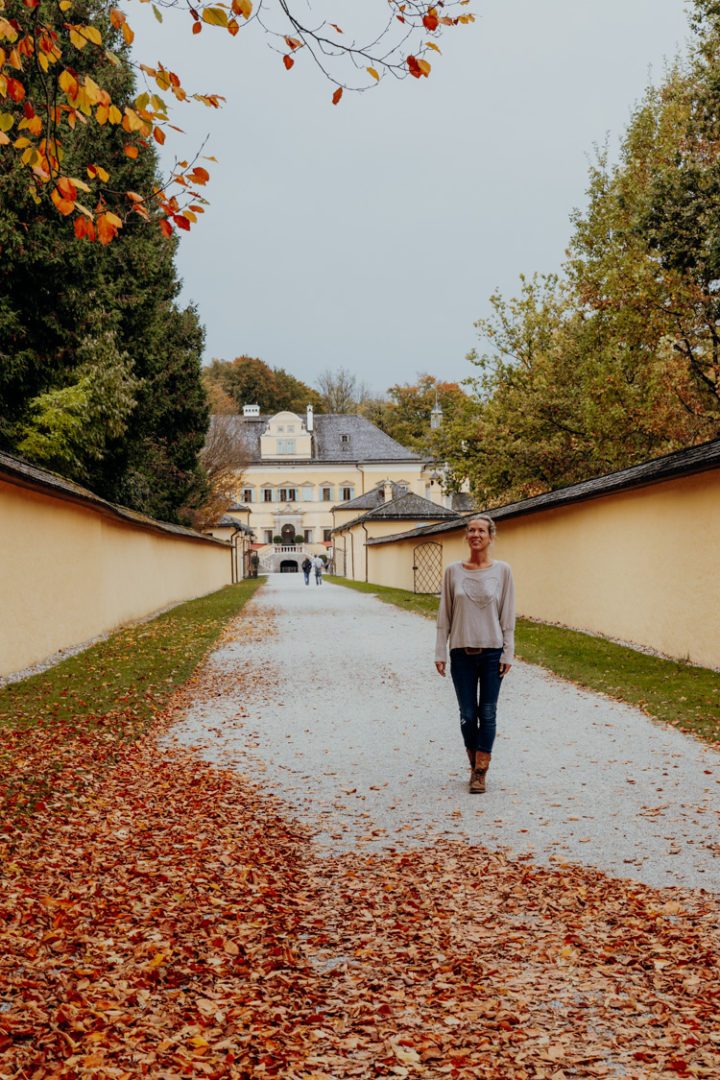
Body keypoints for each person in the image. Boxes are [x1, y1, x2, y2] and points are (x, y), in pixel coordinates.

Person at [435, 516, 515, 794]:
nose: (475, 534)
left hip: (493, 652)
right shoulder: (453, 572)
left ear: (490, 536)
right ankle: (473, 762)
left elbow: (507, 614)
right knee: (468, 714)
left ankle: (480, 772)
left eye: (481, 530)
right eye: (471, 530)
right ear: (466, 536)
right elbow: (444, 613)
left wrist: (508, 652)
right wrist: (440, 650)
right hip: (461, 651)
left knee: (488, 712)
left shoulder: (503, 571)